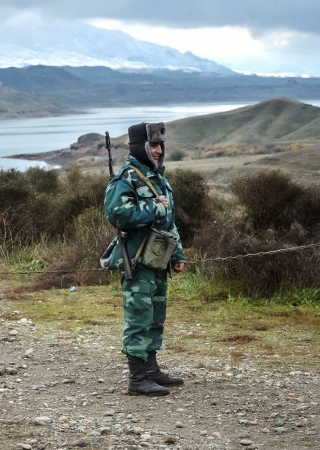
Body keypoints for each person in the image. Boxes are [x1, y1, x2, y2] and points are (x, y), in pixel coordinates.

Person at [101, 122, 186, 396]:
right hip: (137, 261)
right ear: (141, 147)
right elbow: (116, 213)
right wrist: (155, 207)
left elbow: (169, 222)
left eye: (161, 145)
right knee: (139, 317)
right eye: (153, 145)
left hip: (158, 260)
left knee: (156, 315)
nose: (159, 150)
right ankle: (137, 379)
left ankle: (151, 370)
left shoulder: (158, 177)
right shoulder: (126, 177)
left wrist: (177, 254)